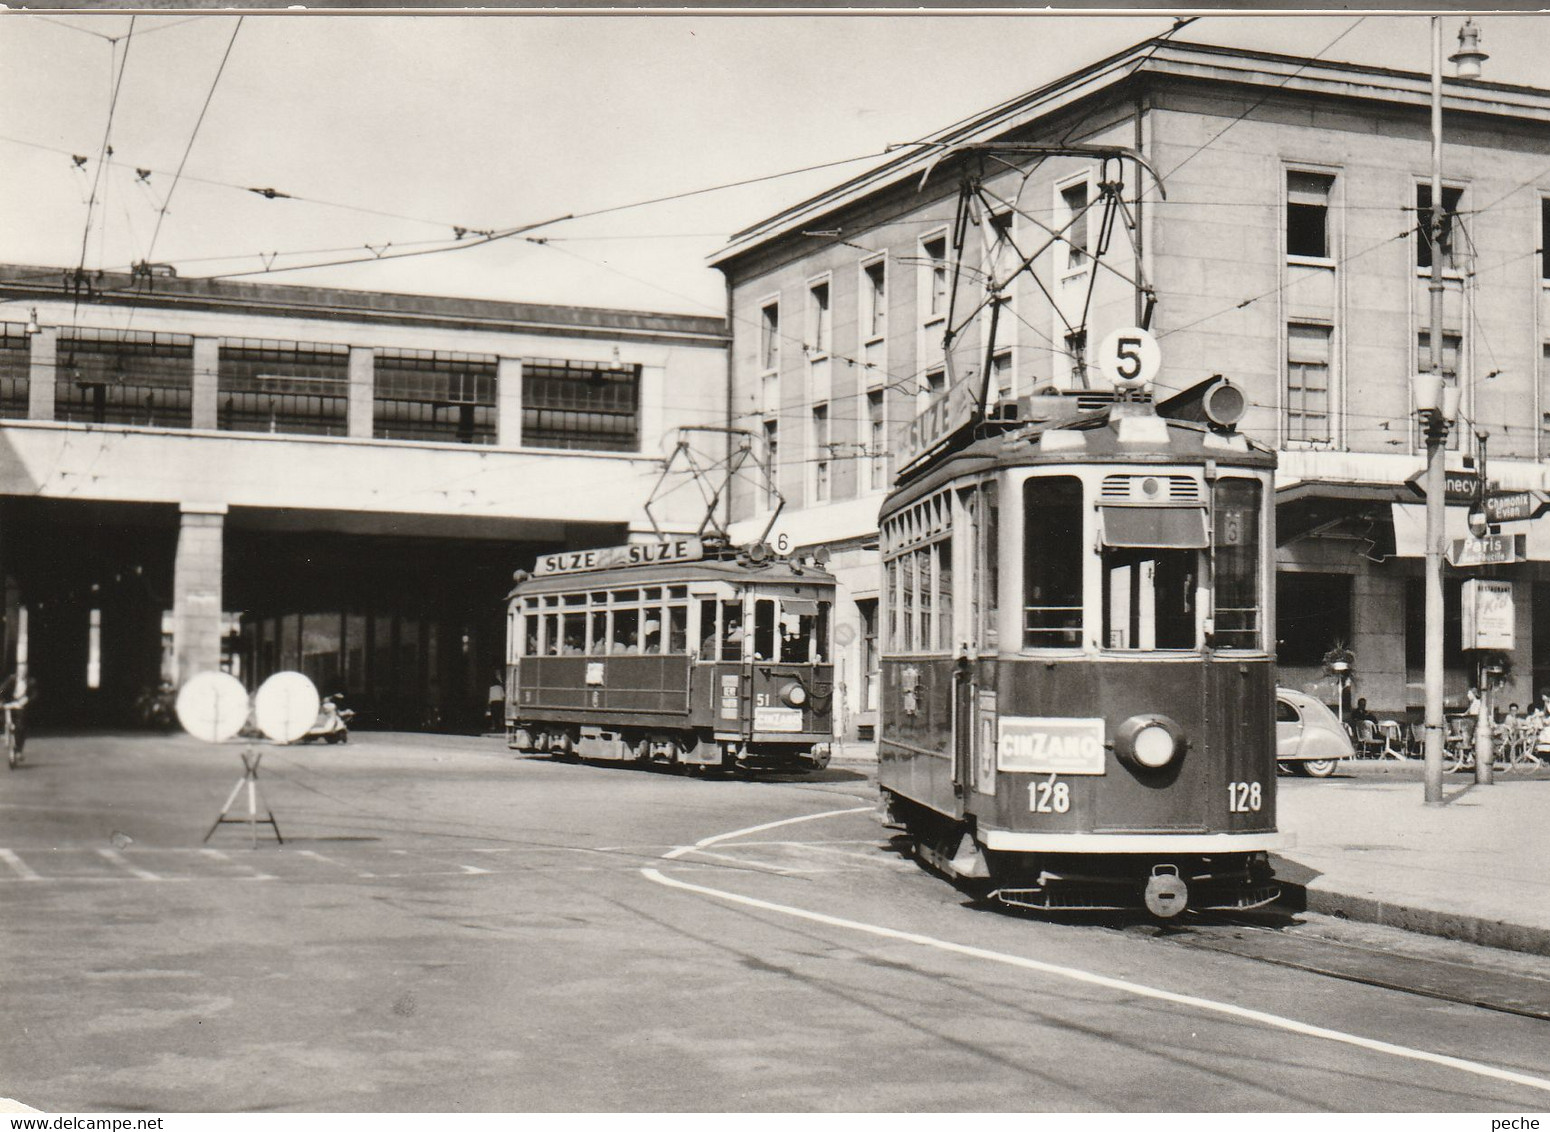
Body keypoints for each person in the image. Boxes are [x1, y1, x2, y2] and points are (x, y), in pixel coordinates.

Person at [0, 668, 31, 758]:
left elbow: (34, 694)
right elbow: (2, 689)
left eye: (24, 673)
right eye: (21, 673)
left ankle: (18, 750)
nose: (22, 675)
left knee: (20, 727)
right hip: (9, 705)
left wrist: (27, 699)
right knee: (3, 719)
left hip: (21, 707)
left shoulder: (31, 682)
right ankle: (6, 734)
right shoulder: (11, 680)